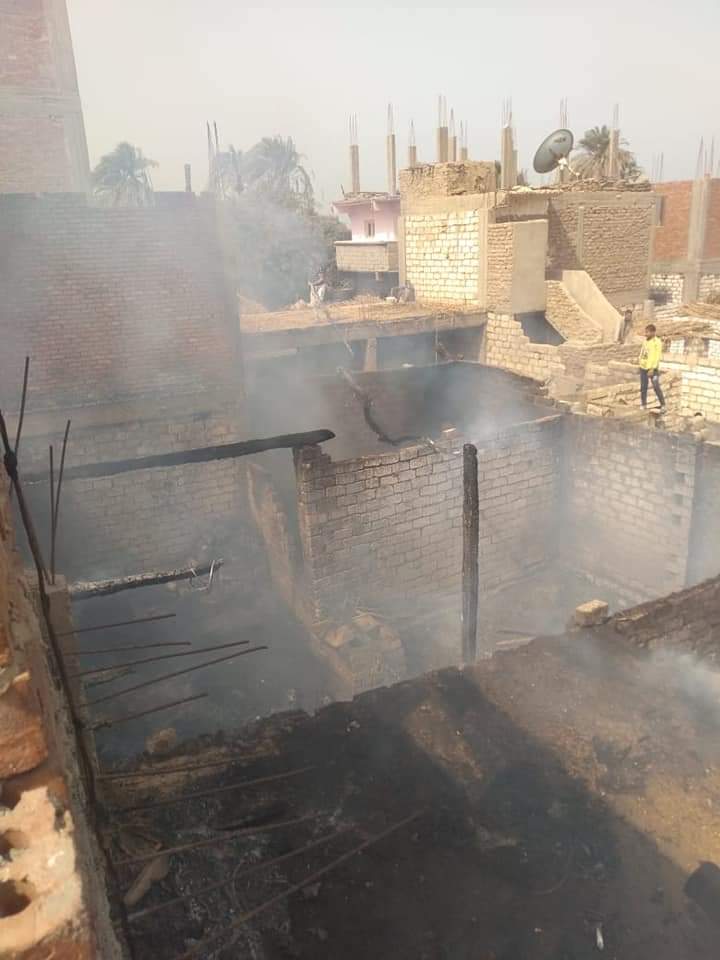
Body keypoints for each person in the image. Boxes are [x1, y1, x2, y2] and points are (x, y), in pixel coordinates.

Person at [638, 323, 665, 412]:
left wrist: (652, 368)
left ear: (653, 332)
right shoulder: (645, 341)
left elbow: (657, 356)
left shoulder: (657, 342)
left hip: (652, 369)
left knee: (656, 386)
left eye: (647, 332)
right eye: (645, 332)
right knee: (643, 387)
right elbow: (643, 353)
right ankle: (643, 404)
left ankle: (663, 405)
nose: (646, 334)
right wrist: (640, 362)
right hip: (643, 368)